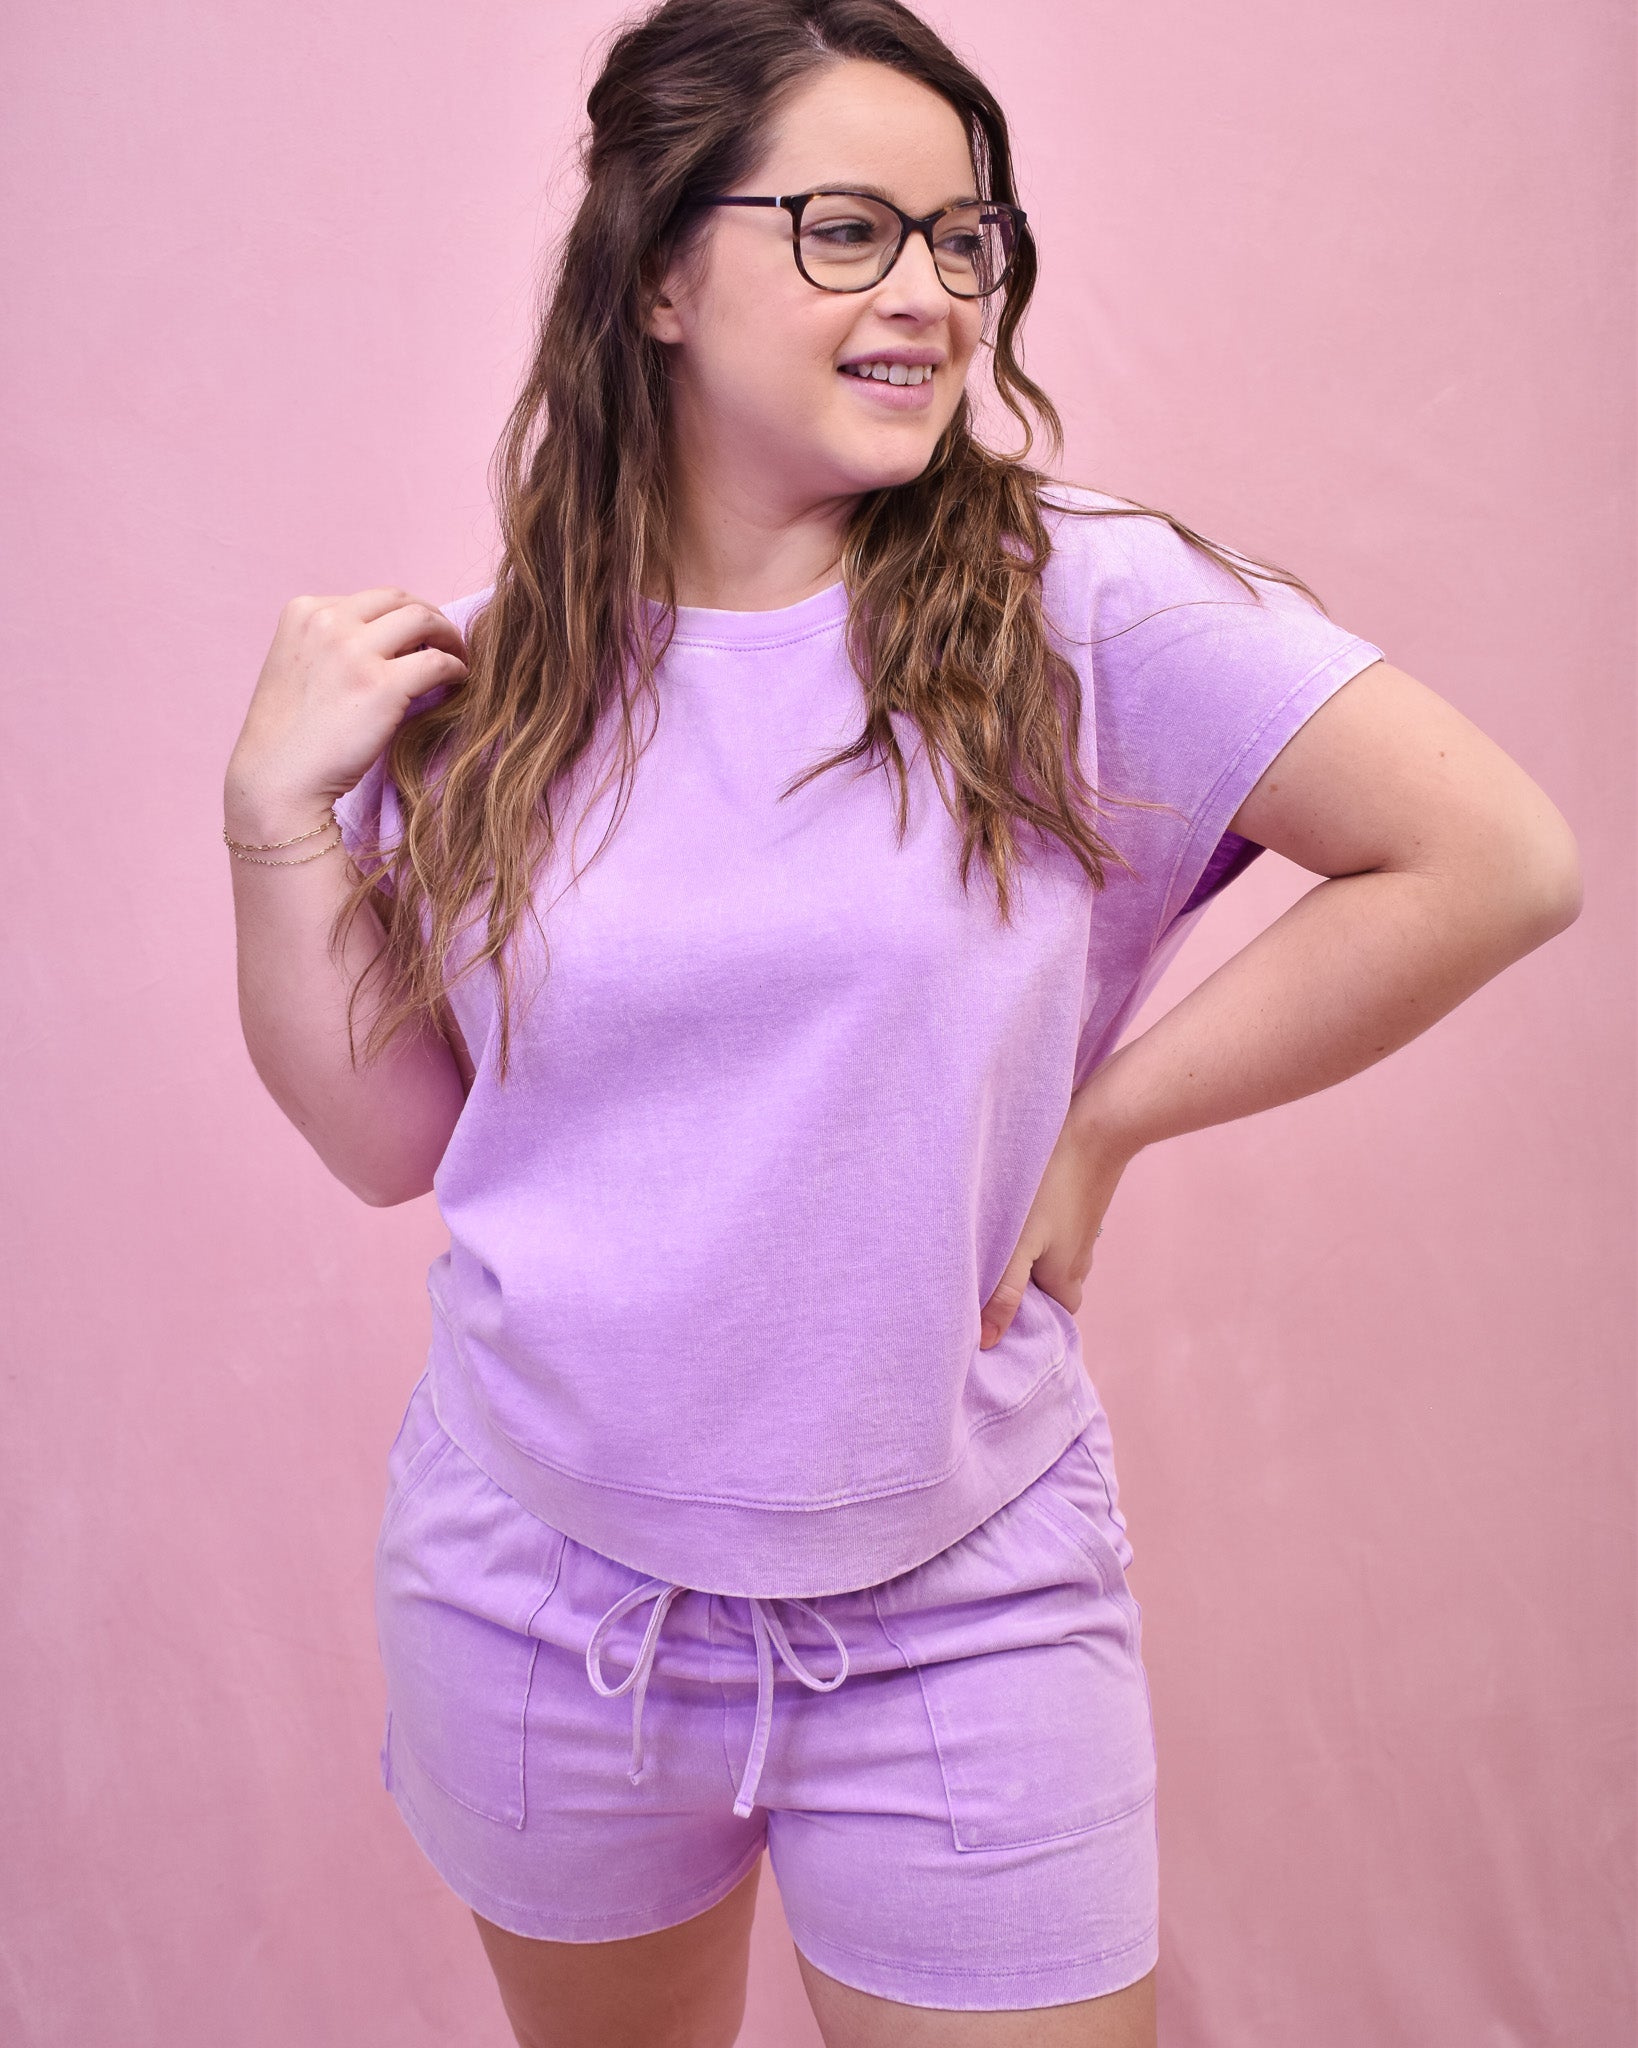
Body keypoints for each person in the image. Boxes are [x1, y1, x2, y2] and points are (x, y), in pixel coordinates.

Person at [221, 2, 1582, 2043]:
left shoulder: (1079, 611)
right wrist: (272, 821)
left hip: (964, 1595)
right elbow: (387, 1135)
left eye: (967, 240)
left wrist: (1110, 1120)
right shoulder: (494, 680)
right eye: (852, 228)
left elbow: (1498, 857)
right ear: (661, 271)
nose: (936, 293)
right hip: (544, 1591)